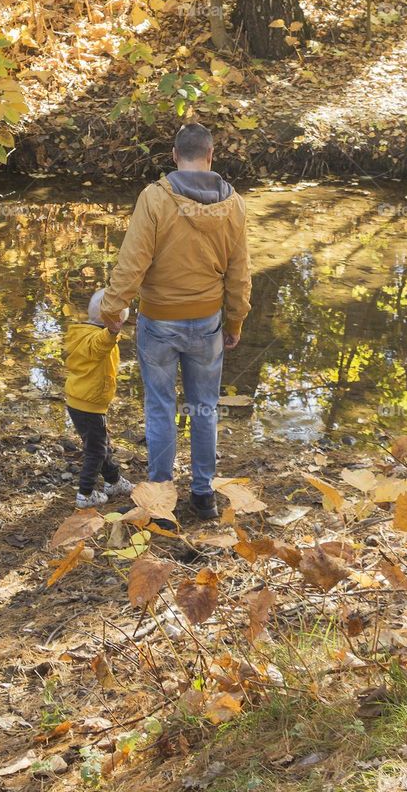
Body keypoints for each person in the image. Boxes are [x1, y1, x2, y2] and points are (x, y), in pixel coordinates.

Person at [100, 123, 251, 521]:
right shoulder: (233, 205)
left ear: (173, 155)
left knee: (161, 407)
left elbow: (132, 263)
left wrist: (112, 310)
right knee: (204, 407)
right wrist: (235, 319)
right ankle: (203, 495)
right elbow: (239, 273)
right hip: (207, 323)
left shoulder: (154, 199)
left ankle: (162, 492)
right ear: (211, 155)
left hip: (159, 323)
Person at [64, 289, 134, 508]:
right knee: (96, 449)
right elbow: (99, 345)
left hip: (79, 400)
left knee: (100, 443)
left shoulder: (81, 332)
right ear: (114, 322)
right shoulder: (99, 339)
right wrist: (111, 333)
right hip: (89, 404)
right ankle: (85, 494)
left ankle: (112, 480)